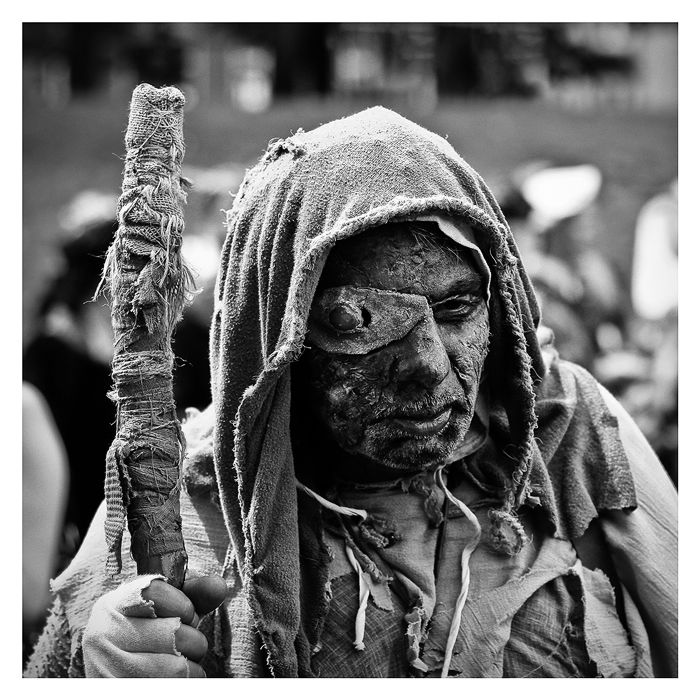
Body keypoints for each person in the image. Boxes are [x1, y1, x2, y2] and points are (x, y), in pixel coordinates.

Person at [25, 107, 677, 678]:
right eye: (355, 321)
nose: (425, 365)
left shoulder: (570, 439)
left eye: (454, 309)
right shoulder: (192, 495)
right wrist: (106, 652)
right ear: (274, 343)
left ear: (500, 304)